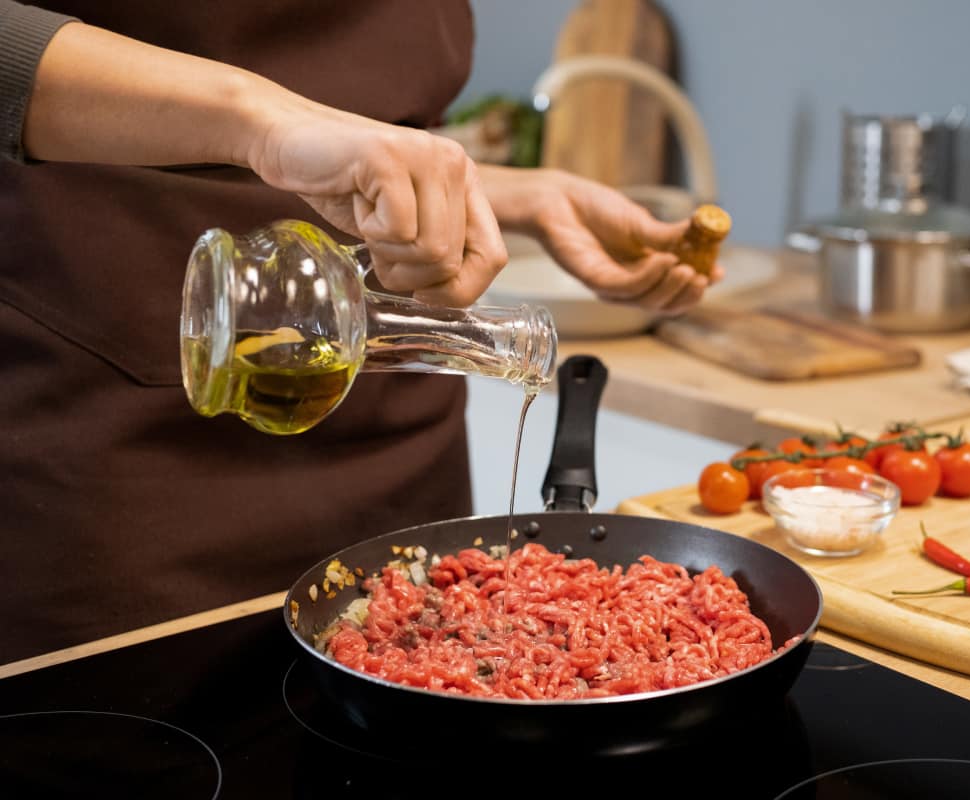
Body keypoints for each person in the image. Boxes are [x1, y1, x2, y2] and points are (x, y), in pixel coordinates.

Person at [0, 1, 722, 663]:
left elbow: (366, 120)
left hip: (397, 438)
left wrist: (517, 193)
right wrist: (261, 120)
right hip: (123, 455)